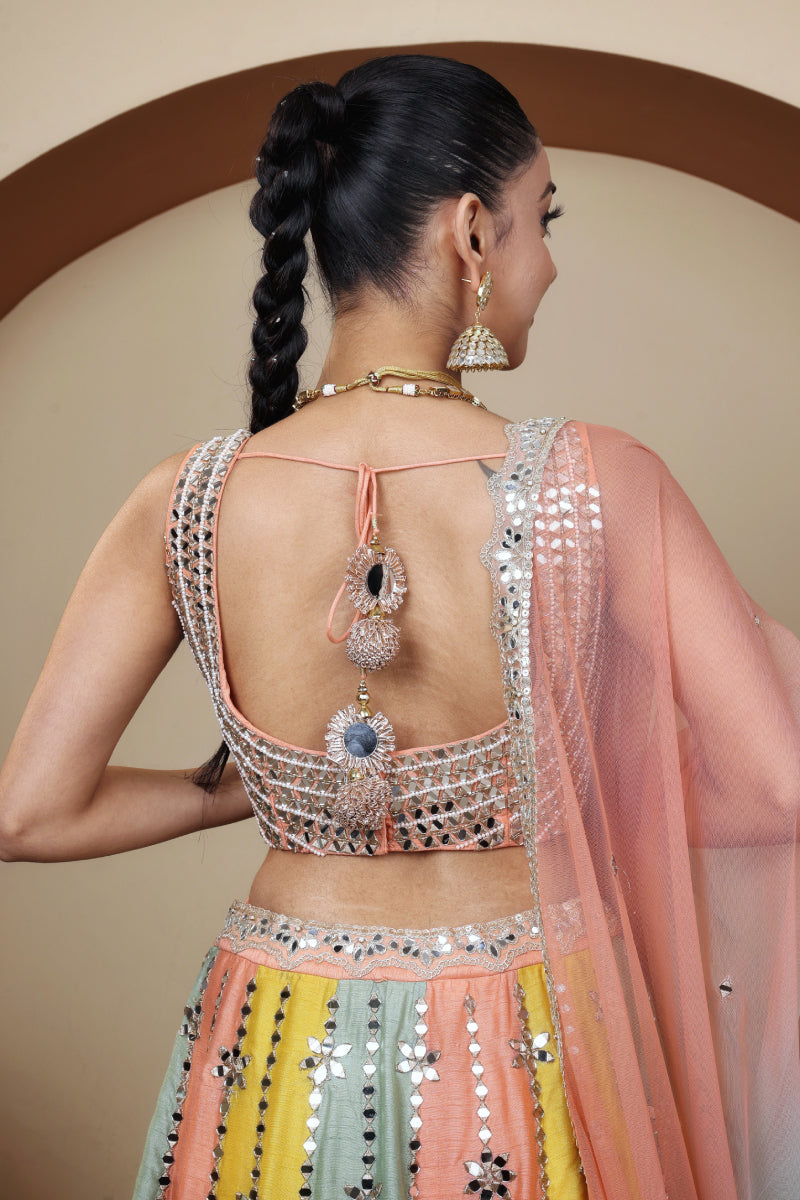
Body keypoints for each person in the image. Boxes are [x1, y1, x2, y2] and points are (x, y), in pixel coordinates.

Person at [1, 52, 798, 1200]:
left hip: (276, 1039)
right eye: (540, 220)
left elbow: (30, 813)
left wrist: (270, 788)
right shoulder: (593, 481)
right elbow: (774, 785)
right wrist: (547, 785)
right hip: (530, 1031)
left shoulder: (186, 497)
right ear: (472, 231)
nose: (547, 263)